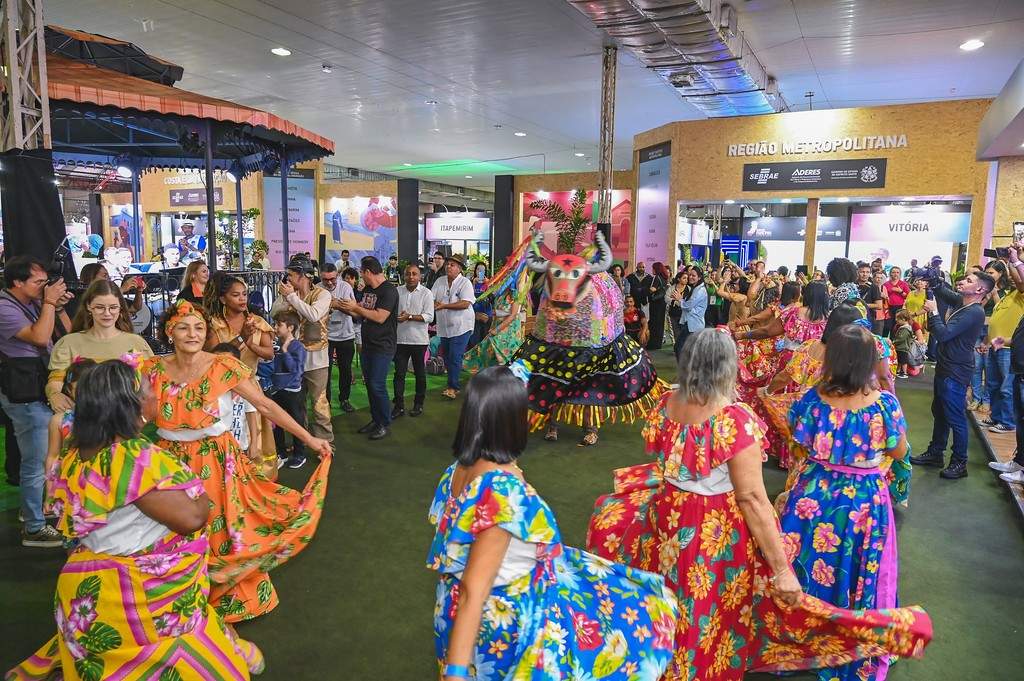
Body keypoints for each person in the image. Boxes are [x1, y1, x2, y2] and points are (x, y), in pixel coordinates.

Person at [587, 329, 932, 681]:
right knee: (708, 605)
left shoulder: (667, 402)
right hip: (712, 530)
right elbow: (752, 498)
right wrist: (782, 570)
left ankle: (661, 656)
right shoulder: (734, 420)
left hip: (666, 518)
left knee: (670, 596)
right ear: (729, 366)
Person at [8, 358, 263, 680]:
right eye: (148, 389)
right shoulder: (131, 458)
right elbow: (191, 518)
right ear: (132, 405)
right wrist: (202, 495)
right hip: (141, 597)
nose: (156, 393)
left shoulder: (77, 453)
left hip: (93, 589)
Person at [427, 365, 679, 681]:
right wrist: (455, 673)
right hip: (502, 626)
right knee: (635, 619)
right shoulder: (502, 490)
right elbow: (473, 590)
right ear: (511, 420)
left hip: (456, 614)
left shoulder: (457, 470)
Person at [145, 300, 332, 622]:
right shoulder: (149, 370)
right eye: (184, 327)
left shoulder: (223, 366)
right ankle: (177, 597)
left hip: (216, 462)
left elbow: (266, 407)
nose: (192, 334)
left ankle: (223, 598)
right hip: (169, 466)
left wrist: (309, 438)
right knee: (170, 533)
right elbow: (127, 415)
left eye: (199, 327)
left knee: (218, 531)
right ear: (168, 331)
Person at [778, 323, 914, 681]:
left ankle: (804, 637)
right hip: (864, 501)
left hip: (813, 495)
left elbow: (797, 443)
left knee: (807, 562)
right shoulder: (883, 405)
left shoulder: (811, 399)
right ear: (868, 360)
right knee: (855, 568)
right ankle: (849, 641)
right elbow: (898, 450)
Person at [0, 256, 73, 547]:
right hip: (24, 394)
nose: (45, 286)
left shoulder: (32, 302)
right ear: (17, 282)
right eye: (38, 282)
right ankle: (33, 527)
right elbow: (41, 337)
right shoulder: (4, 306)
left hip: (39, 389)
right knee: (36, 461)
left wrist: (60, 306)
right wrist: (50, 303)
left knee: (43, 457)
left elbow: (65, 334)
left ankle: (31, 511)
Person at [910, 270, 995, 479]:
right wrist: (934, 282)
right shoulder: (963, 302)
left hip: (956, 370)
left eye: (968, 280)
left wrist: (934, 312)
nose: (962, 281)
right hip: (946, 366)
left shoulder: (974, 312)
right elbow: (944, 292)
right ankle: (936, 453)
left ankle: (959, 463)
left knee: (955, 416)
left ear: (979, 290)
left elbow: (943, 334)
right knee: (940, 411)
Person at [45, 280, 153, 413]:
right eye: (100, 307)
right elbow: (56, 379)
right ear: (89, 307)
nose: (107, 313)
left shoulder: (137, 343)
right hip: (83, 418)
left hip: (129, 419)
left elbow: (151, 381)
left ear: (121, 309)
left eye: (113, 307)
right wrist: (55, 395)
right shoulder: (68, 343)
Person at [270, 255, 334, 444]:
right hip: (293, 358)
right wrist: (285, 297)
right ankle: (302, 442)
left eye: (290, 274)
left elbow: (313, 315)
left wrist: (291, 297)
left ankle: (325, 442)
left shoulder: (323, 294)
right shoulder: (290, 295)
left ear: (303, 276)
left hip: (317, 359)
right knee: (297, 403)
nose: (287, 279)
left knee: (319, 402)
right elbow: (274, 313)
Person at [337, 256, 398, 440]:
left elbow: (379, 317)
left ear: (368, 272)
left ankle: (384, 422)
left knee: (377, 384)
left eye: (362, 273)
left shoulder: (389, 290)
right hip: (368, 344)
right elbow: (362, 312)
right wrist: (344, 306)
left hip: (383, 345)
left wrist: (355, 306)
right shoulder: (369, 290)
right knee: (370, 384)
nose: (361, 278)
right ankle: (375, 419)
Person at [980, 258, 1023, 433]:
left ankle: (1007, 421)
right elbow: (996, 318)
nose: (1013, 278)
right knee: (993, 384)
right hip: (996, 345)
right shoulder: (1007, 296)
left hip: (1008, 349)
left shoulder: (1020, 294)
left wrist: (1013, 261)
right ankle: (996, 417)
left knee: (1006, 388)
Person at [431, 254, 476, 399]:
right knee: (447, 356)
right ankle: (452, 382)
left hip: (462, 326)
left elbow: (466, 303)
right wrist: (432, 305)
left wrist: (444, 305)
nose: (448, 267)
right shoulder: (439, 281)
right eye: (448, 264)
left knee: (455, 355)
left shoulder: (465, 283)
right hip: (444, 326)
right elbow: (430, 298)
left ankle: (453, 387)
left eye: (452, 265)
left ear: (460, 269)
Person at [393, 264, 433, 418]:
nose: (411, 277)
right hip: (400, 340)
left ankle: (418, 404)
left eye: (414, 274)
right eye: (408, 274)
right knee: (399, 374)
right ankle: (399, 406)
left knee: (420, 374)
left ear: (420, 276)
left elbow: (429, 316)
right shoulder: (397, 291)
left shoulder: (426, 293)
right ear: (404, 276)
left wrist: (408, 316)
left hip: (419, 341)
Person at [269, 310, 309, 468]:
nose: (276, 327)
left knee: (296, 423)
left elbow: (295, 370)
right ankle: (281, 452)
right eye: (276, 324)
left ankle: (300, 454)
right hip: (276, 389)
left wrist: (285, 351)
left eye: (279, 325)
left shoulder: (297, 346)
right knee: (277, 422)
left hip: (292, 391)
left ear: (290, 328)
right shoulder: (275, 343)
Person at [211, 343, 262, 464]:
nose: (222, 367)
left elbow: (251, 414)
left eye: (227, 362)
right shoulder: (208, 388)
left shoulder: (244, 387)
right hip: (215, 447)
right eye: (217, 362)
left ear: (236, 364)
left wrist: (254, 443)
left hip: (240, 445)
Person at [323, 263, 357, 413]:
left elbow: (354, 312)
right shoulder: (317, 288)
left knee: (345, 370)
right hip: (326, 336)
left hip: (346, 335)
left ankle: (345, 398)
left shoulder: (346, 287)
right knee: (326, 372)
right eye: (326, 279)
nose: (329, 282)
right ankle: (326, 402)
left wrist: (334, 305)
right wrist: (333, 305)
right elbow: (315, 314)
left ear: (337, 275)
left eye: (332, 279)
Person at [673, 265, 707, 358]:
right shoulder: (695, 288)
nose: (690, 277)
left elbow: (689, 305)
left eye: (693, 276)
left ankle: (687, 369)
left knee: (681, 348)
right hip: (690, 323)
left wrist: (680, 299)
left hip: (694, 324)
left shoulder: (700, 290)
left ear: (699, 277)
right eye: (689, 275)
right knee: (682, 348)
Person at [646, 262, 669, 350]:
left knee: (654, 323)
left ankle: (653, 343)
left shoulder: (656, 277)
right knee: (660, 323)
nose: (652, 270)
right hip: (662, 302)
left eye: (653, 268)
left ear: (656, 269)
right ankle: (658, 343)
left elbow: (652, 289)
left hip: (655, 303)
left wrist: (648, 290)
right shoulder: (664, 278)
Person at [882, 266, 910, 335]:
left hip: (899, 308)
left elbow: (909, 297)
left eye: (897, 272)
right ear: (890, 274)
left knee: (896, 327)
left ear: (900, 274)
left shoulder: (903, 284)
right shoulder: (885, 284)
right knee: (887, 326)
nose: (895, 274)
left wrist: (900, 291)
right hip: (888, 308)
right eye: (893, 272)